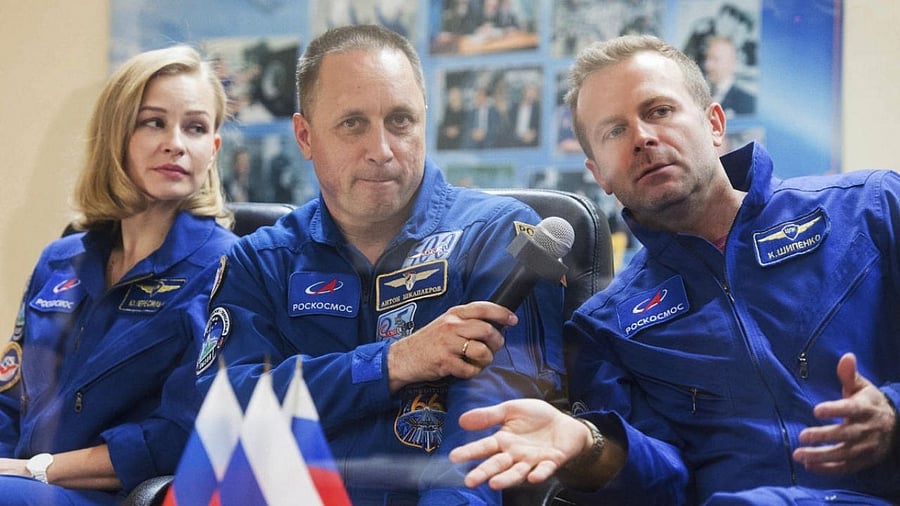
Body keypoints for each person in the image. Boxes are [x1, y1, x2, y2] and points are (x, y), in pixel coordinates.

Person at [450, 34, 900, 505]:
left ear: (714, 124)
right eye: (613, 131)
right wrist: (590, 446)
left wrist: (893, 412)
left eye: (659, 111)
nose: (642, 138)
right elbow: (663, 486)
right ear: (598, 173)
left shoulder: (870, 210)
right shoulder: (607, 328)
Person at [195, 24, 566, 504]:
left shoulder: (498, 237)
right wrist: (392, 362)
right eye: (353, 124)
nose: (382, 150)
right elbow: (224, 413)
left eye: (400, 120)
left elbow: (495, 428)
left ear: (424, 120)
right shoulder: (260, 261)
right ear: (305, 136)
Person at [0, 45, 238, 505]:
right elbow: (9, 399)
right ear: (115, 135)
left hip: (113, 493)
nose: (175, 142)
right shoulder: (59, 260)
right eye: (154, 122)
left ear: (213, 149)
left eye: (195, 127)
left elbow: (181, 435)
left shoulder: (229, 270)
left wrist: (33, 470)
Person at [703, 35, 755, 117]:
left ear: (732, 63)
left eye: (715, 59)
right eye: (707, 58)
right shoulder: (699, 97)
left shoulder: (748, 102)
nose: (707, 65)